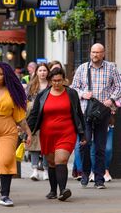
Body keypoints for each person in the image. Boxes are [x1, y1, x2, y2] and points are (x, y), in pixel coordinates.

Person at [27, 67, 86, 201]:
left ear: (64, 80)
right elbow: (34, 115)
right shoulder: (43, 95)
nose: (57, 83)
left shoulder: (71, 93)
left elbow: (79, 114)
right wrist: (28, 133)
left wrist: (82, 134)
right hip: (48, 134)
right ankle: (53, 190)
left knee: (61, 160)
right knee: (52, 163)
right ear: (50, 80)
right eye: (54, 81)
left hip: (67, 132)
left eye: (59, 81)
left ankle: (63, 190)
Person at [0, 62, 32, 207]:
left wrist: (28, 132)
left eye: (0, 74)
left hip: (8, 127)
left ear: (6, 75)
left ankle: (5, 195)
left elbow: (19, 116)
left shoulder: (12, 91)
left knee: (6, 159)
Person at [71, 43, 121, 189]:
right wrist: (83, 94)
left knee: (100, 147)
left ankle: (99, 179)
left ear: (103, 53)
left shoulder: (111, 68)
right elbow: (74, 88)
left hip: (103, 112)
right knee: (84, 144)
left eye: (98, 52)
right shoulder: (82, 68)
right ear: (90, 53)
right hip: (85, 111)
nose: (95, 55)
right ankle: (85, 173)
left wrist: (111, 99)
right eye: (93, 52)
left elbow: (119, 86)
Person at [26, 63, 50, 181]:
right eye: (40, 70)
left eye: (44, 70)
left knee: (46, 145)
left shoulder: (51, 85)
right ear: (36, 72)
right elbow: (25, 101)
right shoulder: (31, 86)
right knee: (34, 144)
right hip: (34, 118)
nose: (42, 73)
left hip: (47, 118)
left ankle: (46, 170)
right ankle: (35, 170)